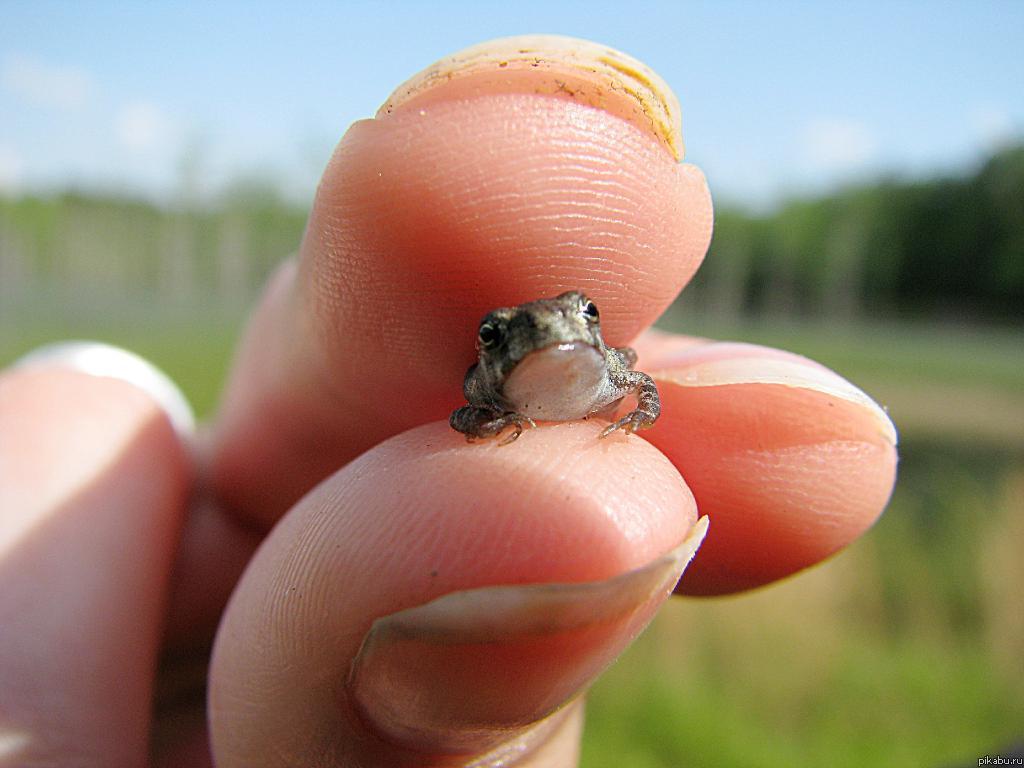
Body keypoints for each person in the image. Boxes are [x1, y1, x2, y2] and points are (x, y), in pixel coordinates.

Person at [0, 36, 897, 767]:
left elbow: (644, 388)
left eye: (577, 315)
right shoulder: (489, 386)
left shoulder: (614, 367)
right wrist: (504, 413)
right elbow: (471, 411)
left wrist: (621, 417)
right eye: (513, 329)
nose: (551, 330)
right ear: (497, 346)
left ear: (592, 327)